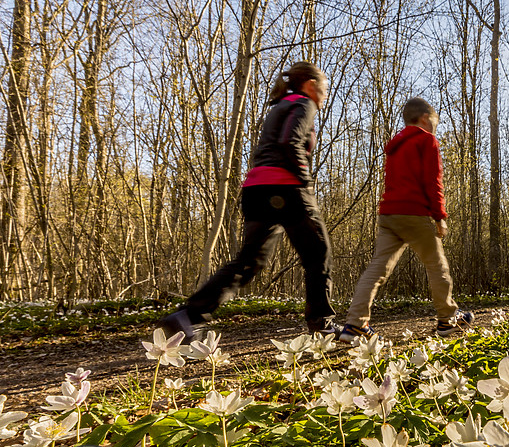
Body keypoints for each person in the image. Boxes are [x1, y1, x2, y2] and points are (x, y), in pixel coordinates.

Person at [159, 61, 341, 341]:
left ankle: (187, 316)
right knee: (318, 255)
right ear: (311, 85)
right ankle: (323, 323)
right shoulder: (304, 104)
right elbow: (288, 142)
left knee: (248, 262)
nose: (325, 94)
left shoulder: (281, 105)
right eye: (324, 88)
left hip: (256, 189)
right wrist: (304, 180)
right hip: (286, 189)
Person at [339, 97, 473, 342]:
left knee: (376, 270)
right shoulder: (426, 140)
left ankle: (355, 324)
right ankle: (448, 319)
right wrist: (439, 216)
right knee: (437, 266)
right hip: (414, 213)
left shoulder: (395, 146)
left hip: (389, 214)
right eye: (435, 121)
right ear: (424, 118)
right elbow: (433, 181)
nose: (435, 126)